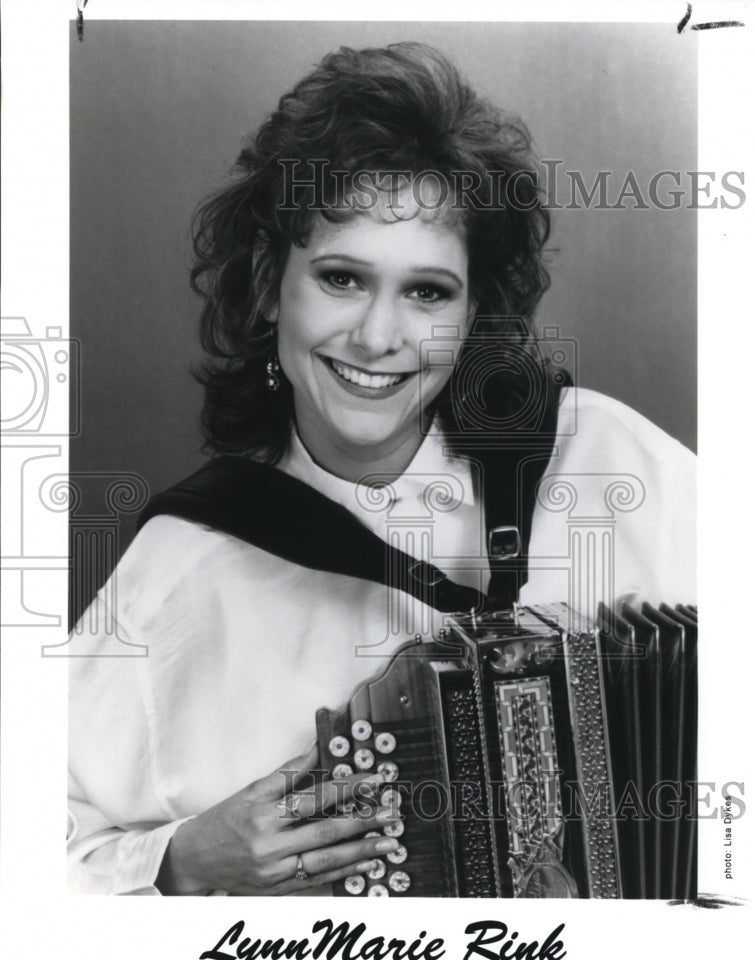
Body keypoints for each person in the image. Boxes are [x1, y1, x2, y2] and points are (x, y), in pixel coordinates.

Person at [67, 42, 696, 896]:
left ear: (476, 311)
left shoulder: (612, 459)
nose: (377, 338)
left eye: (428, 292)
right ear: (267, 284)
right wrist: (178, 860)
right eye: (341, 278)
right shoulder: (183, 572)